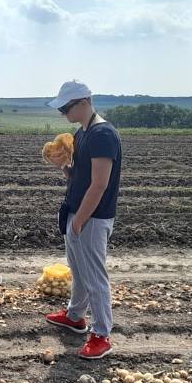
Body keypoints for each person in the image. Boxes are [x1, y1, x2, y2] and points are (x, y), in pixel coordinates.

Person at [44, 80, 122, 360]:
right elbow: (79, 175)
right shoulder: (82, 133)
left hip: (92, 217)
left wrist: (81, 220)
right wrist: (62, 166)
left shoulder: (103, 134)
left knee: (95, 277)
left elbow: (100, 184)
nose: (62, 113)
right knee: (79, 270)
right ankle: (76, 316)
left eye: (66, 107)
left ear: (83, 102)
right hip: (76, 212)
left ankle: (102, 334)